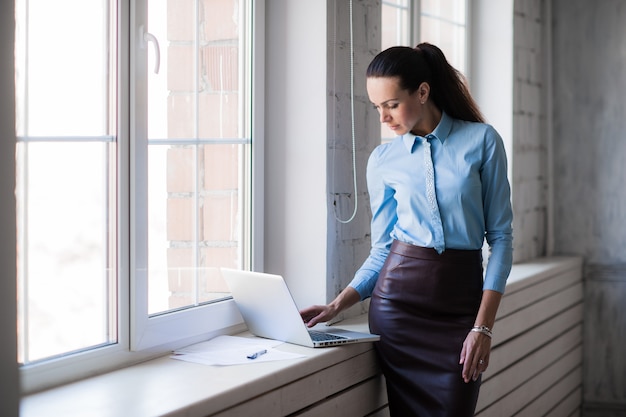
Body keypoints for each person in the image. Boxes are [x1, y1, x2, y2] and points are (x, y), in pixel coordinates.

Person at [300, 43, 513, 417]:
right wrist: (337, 304)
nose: (383, 117)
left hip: (460, 309)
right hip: (397, 312)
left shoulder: (482, 141)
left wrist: (483, 328)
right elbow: (383, 250)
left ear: (423, 91)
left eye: (392, 104)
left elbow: (501, 239)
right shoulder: (383, 160)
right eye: (376, 107)